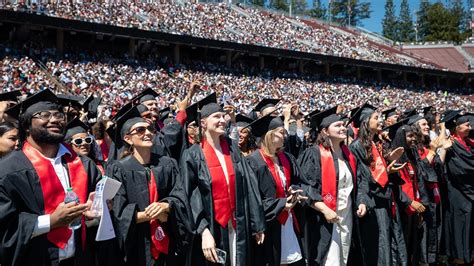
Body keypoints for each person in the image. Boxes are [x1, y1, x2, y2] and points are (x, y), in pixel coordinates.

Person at [0, 89, 102, 265]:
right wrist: (51, 221)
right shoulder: (8, 170)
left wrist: (98, 207)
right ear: (26, 125)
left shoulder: (84, 164)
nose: (54, 119)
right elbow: (4, 229)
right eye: (43, 115)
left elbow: (96, 215)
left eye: (58, 115)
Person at [180, 98, 265, 266]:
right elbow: (190, 196)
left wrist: (257, 223)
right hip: (212, 226)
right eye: (216, 116)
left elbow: (249, 185)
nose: (222, 120)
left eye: (223, 116)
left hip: (238, 222)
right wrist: (203, 231)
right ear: (203, 123)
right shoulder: (193, 155)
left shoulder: (233, 149)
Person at [108, 106, 192, 266]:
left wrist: (165, 205)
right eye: (140, 130)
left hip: (167, 242)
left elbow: (180, 198)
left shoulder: (168, 164)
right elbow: (118, 213)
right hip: (136, 245)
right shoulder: (118, 169)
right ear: (127, 138)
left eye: (150, 129)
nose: (147, 133)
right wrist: (155, 214)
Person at [297, 107, 368, 266]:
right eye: (337, 125)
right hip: (324, 218)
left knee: (343, 259)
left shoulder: (349, 155)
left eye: (343, 124)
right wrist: (325, 209)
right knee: (329, 260)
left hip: (346, 217)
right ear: (325, 131)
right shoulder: (314, 154)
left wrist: (362, 201)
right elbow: (306, 187)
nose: (343, 127)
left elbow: (361, 181)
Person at [348, 104, 408, 266]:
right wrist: (387, 171)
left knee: (387, 242)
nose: (379, 120)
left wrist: (388, 162)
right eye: (375, 118)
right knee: (379, 244)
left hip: (383, 199)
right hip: (372, 202)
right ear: (366, 122)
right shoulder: (356, 146)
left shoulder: (373, 144)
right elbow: (363, 176)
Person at [246, 114, 307, 266]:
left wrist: (294, 192)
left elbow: (298, 181)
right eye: (281, 131)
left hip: (289, 222)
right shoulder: (253, 162)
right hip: (269, 226)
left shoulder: (286, 158)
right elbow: (252, 199)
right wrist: (281, 204)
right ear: (269, 135)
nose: (284, 135)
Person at [443, 111, 473, 265]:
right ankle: (459, 258)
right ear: (456, 127)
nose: (470, 127)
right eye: (467, 124)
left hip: (469, 193)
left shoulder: (468, 143)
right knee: (459, 227)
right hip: (458, 193)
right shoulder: (451, 145)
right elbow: (459, 170)